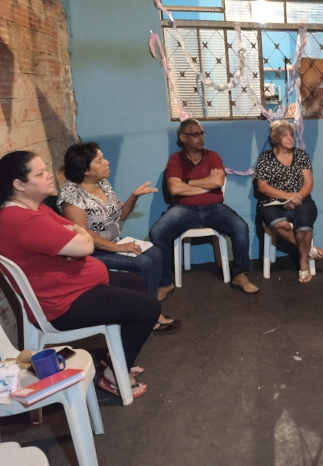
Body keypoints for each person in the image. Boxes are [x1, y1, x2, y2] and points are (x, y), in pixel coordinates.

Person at [0, 151, 159, 399]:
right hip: (62, 305)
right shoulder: (22, 220)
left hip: (74, 286)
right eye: (40, 174)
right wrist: (78, 237)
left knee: (135, 282)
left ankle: (116, 359)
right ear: (19, 185)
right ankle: (114, 377)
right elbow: (85, 245)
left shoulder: (37, 210)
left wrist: (76, 238)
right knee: (148, 308)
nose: (49, 176)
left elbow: (76, 235)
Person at [57, 142, 181, 334]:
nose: (106, 162)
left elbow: (121, 215)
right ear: (84, 169)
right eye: (99, 160)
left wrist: (134, 196)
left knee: (155, 254)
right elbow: (82, 234)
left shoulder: (102, 183)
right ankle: (149, 315)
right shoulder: (71, 194)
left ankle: (151, 308)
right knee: (143, 263)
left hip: (113, 242)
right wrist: (119, 248)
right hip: (94, 251)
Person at [149, 118, 259, 294]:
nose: (201, 138)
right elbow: (175, 189)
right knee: (157, 232)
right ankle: (165, 282)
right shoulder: (175, 159)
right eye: (195, 134)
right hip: (183, 210)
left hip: (214, 208)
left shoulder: (213, 156)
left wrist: (188, 182)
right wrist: (204, 186)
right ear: (183, 138)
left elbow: (217, 182)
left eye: (202, 133)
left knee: (240, 226)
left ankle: (240, 275)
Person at [254, 120, 323, 283]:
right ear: (275, 139)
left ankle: (303, 265)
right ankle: (309, 250)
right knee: (279, 224)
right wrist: (287, 196)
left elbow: (309, 183)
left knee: (305, 222)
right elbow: (262, 187)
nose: (290, 138)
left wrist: (296, 198)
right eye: (284, 135)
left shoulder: (301, 155)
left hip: (301, 200)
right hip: (272, 202)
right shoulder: (265, 158)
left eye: (291, 135)